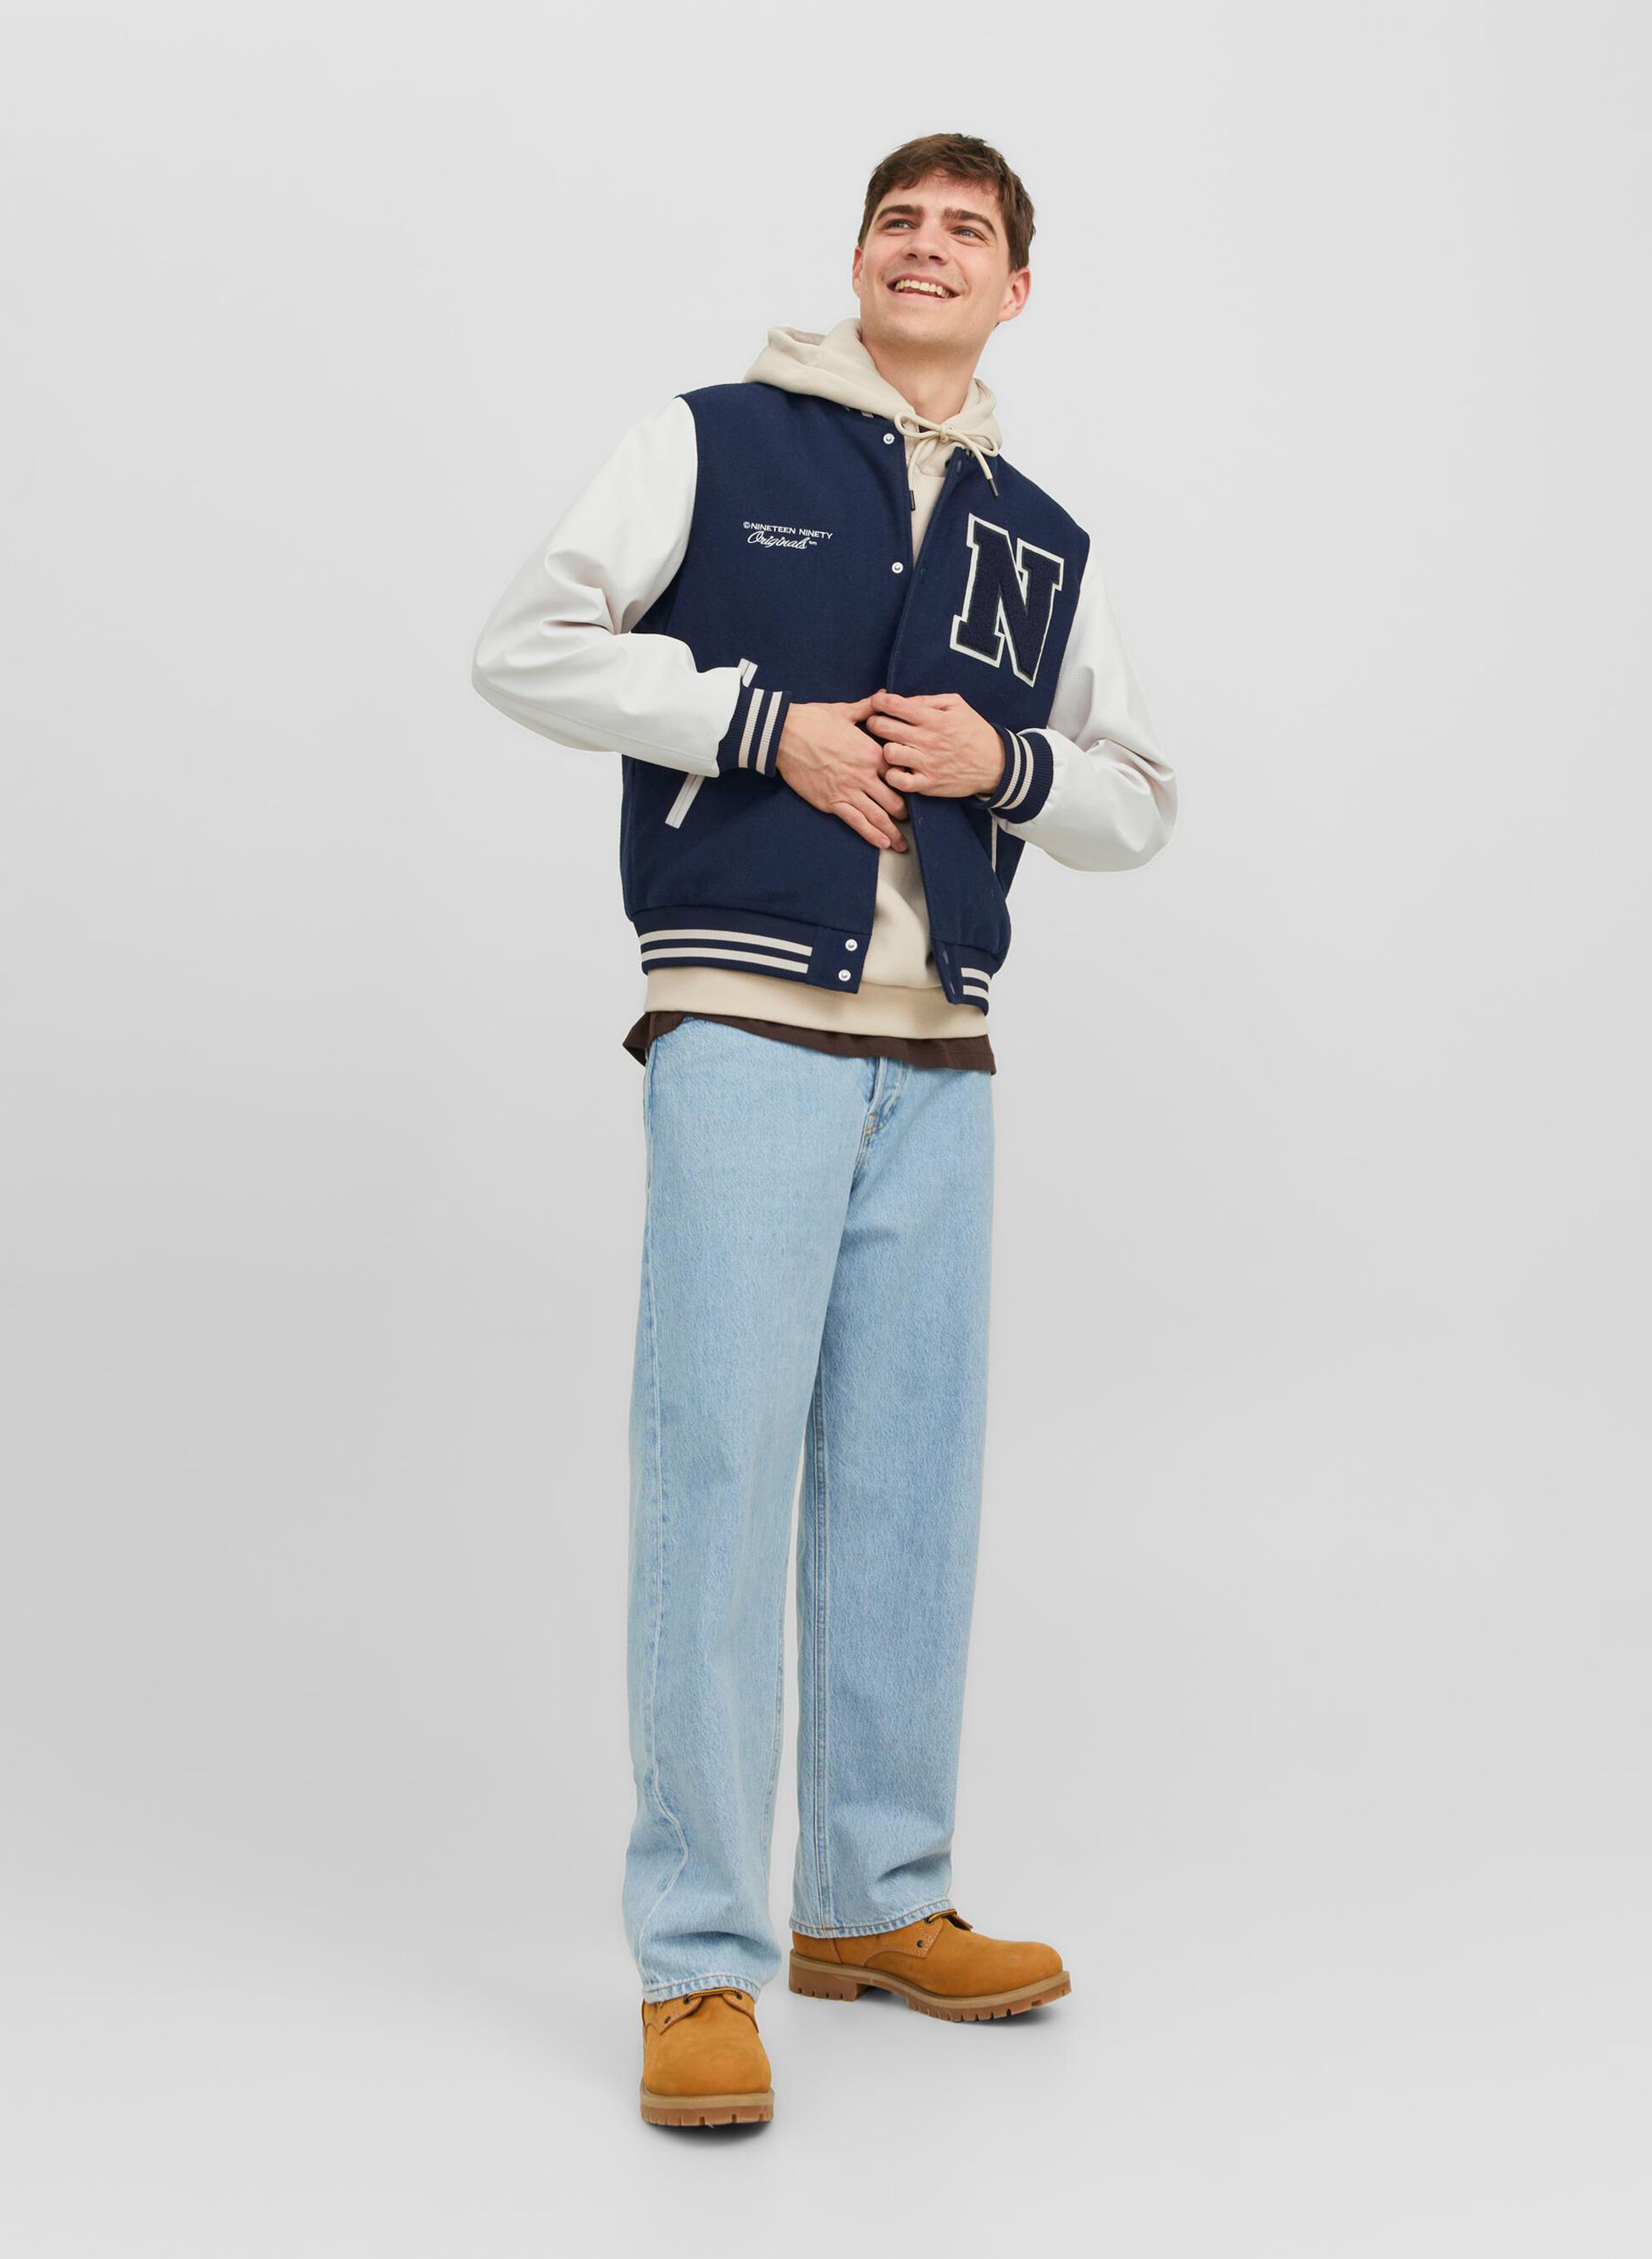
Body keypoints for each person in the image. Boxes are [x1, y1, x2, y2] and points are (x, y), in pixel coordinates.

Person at [470, 130, 1177, 2129]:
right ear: (858, 259)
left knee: (907, 1486)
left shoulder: (1040, 536)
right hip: (746, 1027)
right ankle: (698, 1958)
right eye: (899, 221)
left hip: (941, 1053)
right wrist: (757, 725)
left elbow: (1135, 797)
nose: (926, 247)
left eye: (968, 230)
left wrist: (1005, 760)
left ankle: (872, 1899)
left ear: (1017, 289)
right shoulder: (711, 440)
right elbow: (523, 645)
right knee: (716, 1468)